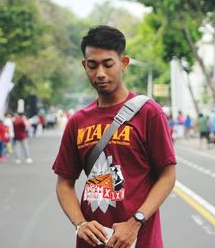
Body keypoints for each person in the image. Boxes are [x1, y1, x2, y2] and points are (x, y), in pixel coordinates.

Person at [52, 25, 176, 248]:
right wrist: (80, 224)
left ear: (124, 63)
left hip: (139, 241)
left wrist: (136, 222)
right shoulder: (77, 121)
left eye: (108, 64)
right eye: (92, 65)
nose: (100, 73)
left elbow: (167, 175)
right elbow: (64, 183)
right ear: (84, 66)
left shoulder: (148, 113)